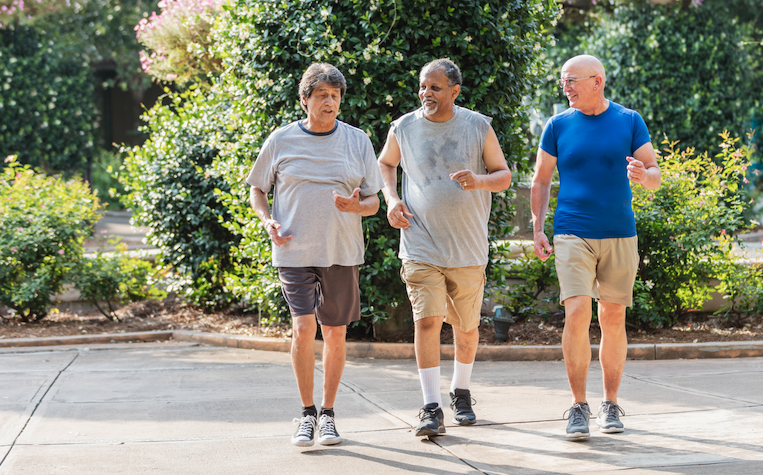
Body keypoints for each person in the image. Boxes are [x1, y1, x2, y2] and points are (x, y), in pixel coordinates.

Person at [247, 62, 382, 447]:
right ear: (304, 99)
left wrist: (357, 207)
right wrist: (266, 219)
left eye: (336, 96)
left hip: (341, 252)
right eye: (322, 95)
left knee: (336, 333)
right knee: (304, 328)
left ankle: (329, 415)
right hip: (293, 251)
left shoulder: (357, 141)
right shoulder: (281, 139)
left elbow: (373, 200)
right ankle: (306, 414)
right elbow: (258, 188)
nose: (330, 102)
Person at [377, 58, 511, 437]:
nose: (426, 94)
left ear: (454, 91)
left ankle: (461, 391)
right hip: (420, 244)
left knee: (466, 328)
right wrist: (390, 199)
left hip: (467, 249)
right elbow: (386, 164)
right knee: (427, 321)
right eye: (423, 87)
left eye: (435, 87)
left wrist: (480, 181)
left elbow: (503, 176)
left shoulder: (477, 126)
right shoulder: (403, 127)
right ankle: (430, 406)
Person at [530, 54, 661, 439]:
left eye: (572, 81)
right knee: (576, 313)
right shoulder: (557, 125)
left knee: (613, 317)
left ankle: (610, 403)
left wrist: (642, 175)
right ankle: (577, 405)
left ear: (597, 81)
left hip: (620, 231)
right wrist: (538, 227)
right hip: (572, 230)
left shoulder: (629, 120)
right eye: (562, 82)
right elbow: (540, 180)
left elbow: (654, 175)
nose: (565, 88)